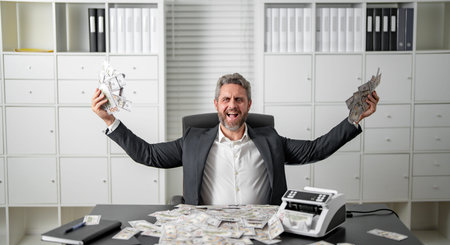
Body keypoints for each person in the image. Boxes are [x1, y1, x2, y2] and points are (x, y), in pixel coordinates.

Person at [91, 73, 379, 205]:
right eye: (226, 99)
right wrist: (109, 120)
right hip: (209, 233)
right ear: (216, 104)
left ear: (248, 105)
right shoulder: (192, 141)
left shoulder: (270, 140)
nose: (232, 105)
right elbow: (148, 155)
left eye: (239, 100)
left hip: (263, 234)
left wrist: (354, 119)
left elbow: (316, 149)